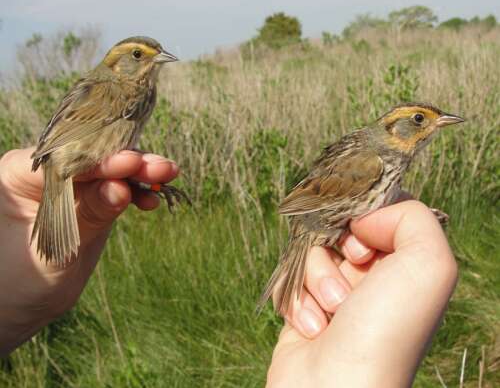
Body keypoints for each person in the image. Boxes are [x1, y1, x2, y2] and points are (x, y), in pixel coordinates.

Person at [0, 148, 458, 387]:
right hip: (320, 219)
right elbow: (329, 205)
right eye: (418, 122)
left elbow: (361, 215)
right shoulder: (371, 160)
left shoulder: (377, 161)